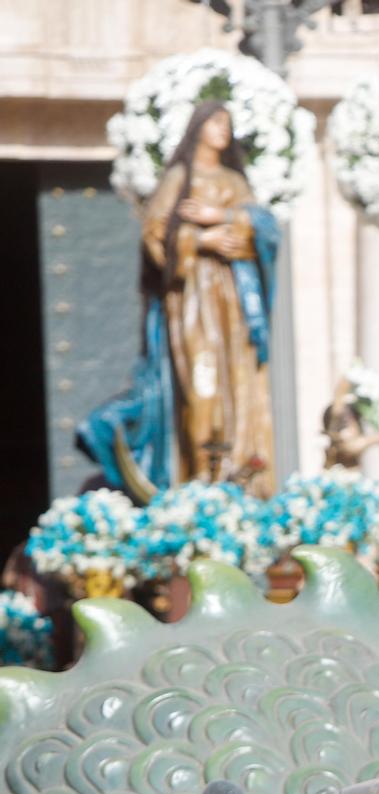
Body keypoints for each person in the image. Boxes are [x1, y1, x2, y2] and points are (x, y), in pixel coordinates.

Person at [79, 100, 280, 499]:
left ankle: (241, 480)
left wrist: (221, 217)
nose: (224, 130)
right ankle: (197, 481)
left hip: (234, 301)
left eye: (228, 123)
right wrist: (198, 239)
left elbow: (263, 229)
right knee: (199, 387)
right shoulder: (178, 178)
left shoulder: (235, 183)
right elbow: (155, 237)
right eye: (216, 122)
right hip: (193, 301)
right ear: (199, 128)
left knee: (236, 386)